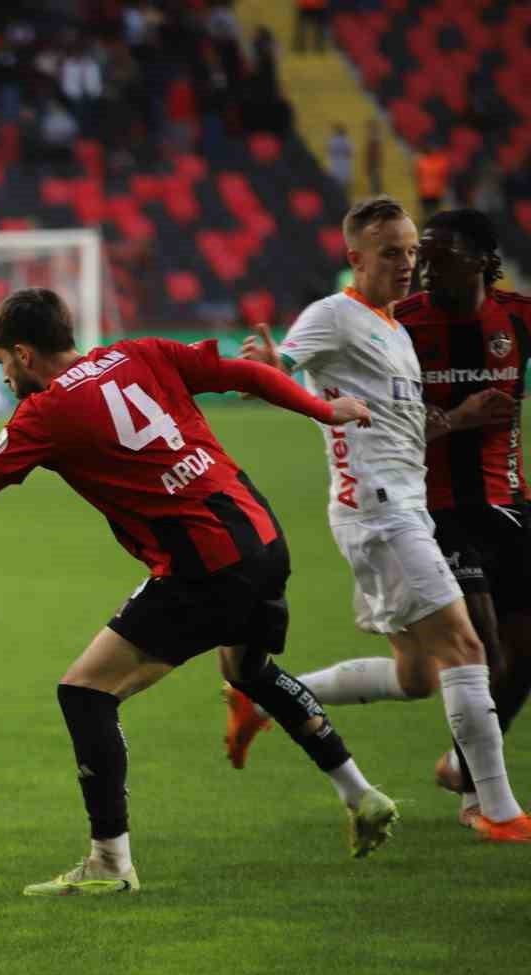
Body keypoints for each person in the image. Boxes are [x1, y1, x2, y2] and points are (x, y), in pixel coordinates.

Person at [0, 287, 392, 898]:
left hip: (202, 565)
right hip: (262, 536)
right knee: (248, 669)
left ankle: (110, 861)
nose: (2, 376)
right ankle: (360, 794)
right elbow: (244, 373)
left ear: (24, 354)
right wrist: (323, 411)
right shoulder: (140, 352)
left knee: (85, 691)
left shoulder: (43, 413)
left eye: (1, 362)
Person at [222, 197, 531, 843]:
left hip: (399, 507)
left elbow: (402, 425)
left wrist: (459, 418)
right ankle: (497, 812)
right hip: (382, 513)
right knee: (469, 646)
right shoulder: (335, 316)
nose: (408, 263)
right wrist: (271, 369)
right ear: (354, 258)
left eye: (411, 250)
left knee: (418, 676)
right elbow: (283, 365)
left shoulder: (391, 327)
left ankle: (266, 695)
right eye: (392, 251)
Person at [401, 210, 530, 825]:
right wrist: (456, 419)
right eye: (422, 256)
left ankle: (463, 765)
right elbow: (383, 424)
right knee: (483, 652)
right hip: (434, 512)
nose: (425, 268)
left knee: (522, 655)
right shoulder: (400, 325)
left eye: (440, 256)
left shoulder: (517, 318)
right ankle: (490, 804)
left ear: (481, 260)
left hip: (507, 506)